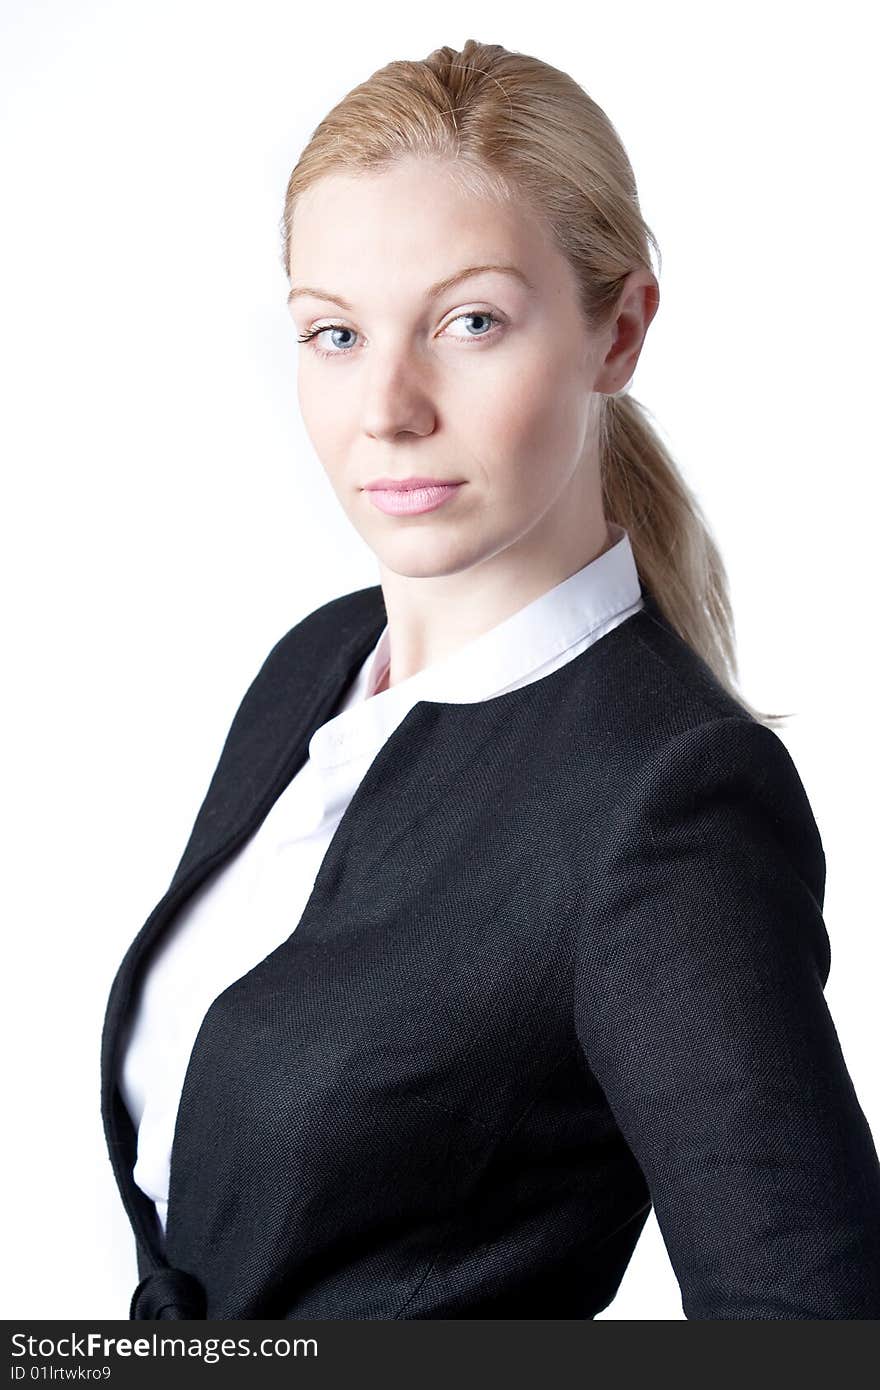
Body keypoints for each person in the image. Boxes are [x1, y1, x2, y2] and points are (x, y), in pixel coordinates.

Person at [100, 39, 880, 1321]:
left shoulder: (668, 800)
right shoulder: (312, 665)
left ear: (616, 331)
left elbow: (810, 1322)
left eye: (469, 322)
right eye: (335, 334)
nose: (388, 407)